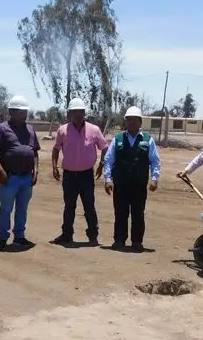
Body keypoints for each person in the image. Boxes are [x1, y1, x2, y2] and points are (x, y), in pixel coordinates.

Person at [51, 97, 108, 246]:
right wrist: (54, 167)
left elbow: (105, 147)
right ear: (70, 113)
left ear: (84, 113)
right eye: (74, 112)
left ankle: (93, 235)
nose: (77, 114)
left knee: (89, 205)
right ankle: (67, 234)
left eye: (80, 111)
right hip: (69, 175)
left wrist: (102, 164)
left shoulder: (94, 130)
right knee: (69, 205)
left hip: (86, 175)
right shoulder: (62, 130)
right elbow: (56, 149)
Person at [103, 106, 161, 250]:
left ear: (140, 122)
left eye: (135, 120)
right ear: (125, 122)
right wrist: (108, 179)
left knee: (138, 213)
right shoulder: (118, 140)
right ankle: (119, 241)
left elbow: (155, 161)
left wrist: (154, 178)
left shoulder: (148, 140)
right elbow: (109, 160)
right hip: (121, 184)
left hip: (139, 185)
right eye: (129, 120)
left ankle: (137, 242)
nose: (132, 123)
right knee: (120, 213)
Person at [0, 95, 40, 250]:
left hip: (26, 177)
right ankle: (2, 239)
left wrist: (36, 171)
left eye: (25, 111)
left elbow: (35, 152)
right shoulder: (2, 129)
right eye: (20, 111)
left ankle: (19, 236)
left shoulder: (30, 129)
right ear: (11, 111)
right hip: (10, 177)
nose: (24, 114)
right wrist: (0, 171)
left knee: (22, 209)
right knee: (6, 209)